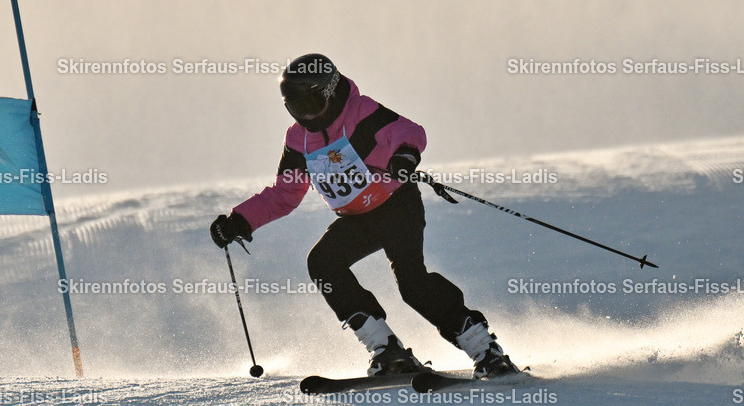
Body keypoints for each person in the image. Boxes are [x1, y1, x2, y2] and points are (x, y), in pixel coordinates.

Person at [210, 54, 519, 378]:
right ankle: (387, 350)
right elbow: (285, 193)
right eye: (296, 108)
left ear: (329, 92)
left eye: (312, 103)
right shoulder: (298, 140)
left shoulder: (359, 112)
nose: (307, 114)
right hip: (358, 219)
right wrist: (239, 221)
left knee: (412, 284)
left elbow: (409, 132)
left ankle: (485, 349)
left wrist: (404, 156)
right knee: (323, 262)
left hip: (397, 206)